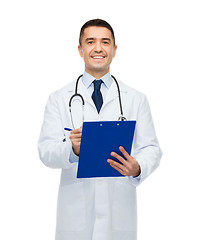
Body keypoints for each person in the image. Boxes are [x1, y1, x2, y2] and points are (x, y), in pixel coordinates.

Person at [38, 19, 162, 240]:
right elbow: (46, 151)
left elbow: (151, 148)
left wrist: (137, 167)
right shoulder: (59, 99)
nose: (98, 48)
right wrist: (72, 149)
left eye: (105, 42)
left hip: (119, 216)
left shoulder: (135, 99)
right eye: (90, 42)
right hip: (75, 220)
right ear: (80, 49)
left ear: (114, 50)